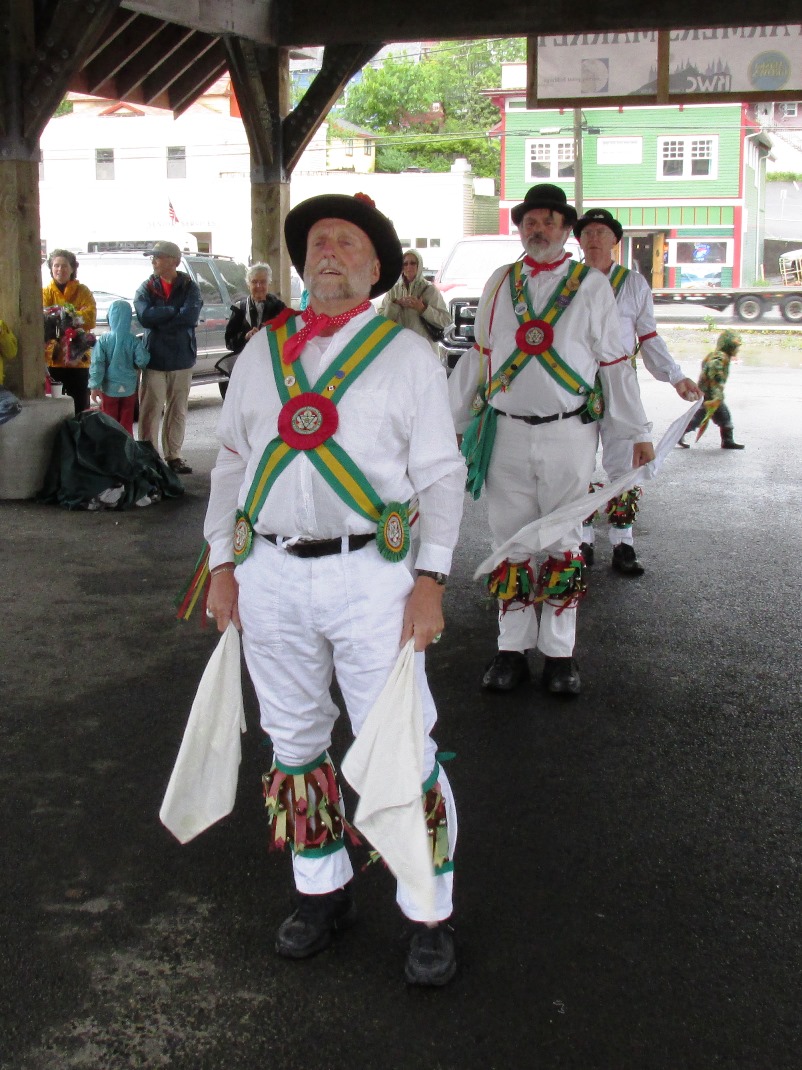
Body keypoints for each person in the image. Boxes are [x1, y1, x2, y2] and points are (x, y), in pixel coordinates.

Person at [203, 192, 465, 986]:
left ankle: (428, 909)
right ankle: (321, 890)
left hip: (371, 577)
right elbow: (231, 463)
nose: (329, 253)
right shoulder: (261, 352)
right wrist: (221, 565)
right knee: (292, 740)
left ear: (375, 268)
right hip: (269, 572)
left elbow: (441, 476)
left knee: (400, 743)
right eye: (319, 241)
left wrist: (431, 580)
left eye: (347, 243)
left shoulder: (408, 356)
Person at [449, 183, 654, 697]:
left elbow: (614, 365)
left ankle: (560, 655)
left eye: (548, 221)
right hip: (505, 433)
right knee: (509, 542)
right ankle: (511, 650)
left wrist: (635, 433)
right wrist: (452, 424)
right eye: (530, 222)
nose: (537, 230)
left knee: (564, 541)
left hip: (569, 432)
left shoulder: (592, 286)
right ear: (520, 229)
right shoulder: (500, 281)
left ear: (566, 230)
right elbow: (479, 357)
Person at [574, 208, 703, 576]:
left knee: (623, 464)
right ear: (579, 240)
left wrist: (676, 377)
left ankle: (622, 542)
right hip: (575, 386)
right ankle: (582, 540)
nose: (594, 239)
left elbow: (648, 335)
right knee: (576, 464)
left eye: (601, 232)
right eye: (587, 232)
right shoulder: (568, 281)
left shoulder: (633, 284)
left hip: (620, 385)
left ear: (615, 240)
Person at [134, 240, 203, 474]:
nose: (153, 261)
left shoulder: (189, 287)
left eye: (158, 257)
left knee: (178, 409)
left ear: (174, 261)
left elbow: (190, 316)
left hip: (182, 357)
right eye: (153, 257)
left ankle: (174, 456)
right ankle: (148, 456)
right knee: (150, 408)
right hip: (154, 358)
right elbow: (144, 316)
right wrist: (174, 311)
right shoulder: (146, 287)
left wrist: (161, 319)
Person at [42, 249, 97, 416]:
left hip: (78, 361)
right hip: (53, 361)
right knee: (53, 411)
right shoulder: (45, 293)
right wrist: (62, 319)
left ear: (72, 268)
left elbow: (90, 318)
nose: (60, 269)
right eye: (56, 265)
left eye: (64, 266)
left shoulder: (83, 291)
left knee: (80, 408)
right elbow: (41, 321)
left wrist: (68, 316)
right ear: (51, 268)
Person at [88, 299, 150, 436]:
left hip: (109, 388)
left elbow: (97, 364)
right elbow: (142, 360)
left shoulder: (103, 340)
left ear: (110, 318)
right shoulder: (133, 340)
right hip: (129, 388)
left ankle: (111, 447)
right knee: (126, 422)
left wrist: (94, 386)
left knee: (109, 423)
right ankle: (126, 446)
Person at [678, 329, 745, 449]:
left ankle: (727, 440)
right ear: (729, 346)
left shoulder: (714, 355)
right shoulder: (720, 358)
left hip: (708, 394)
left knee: (709, 417)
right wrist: (716, 394)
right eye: (736, 347)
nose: (738, 350)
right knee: (713, 417)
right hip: (711, 396)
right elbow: (714, 375)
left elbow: (704, 365)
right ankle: (727, 441)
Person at [379, 248, 451, 354]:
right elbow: (380, 321)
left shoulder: (430, 290)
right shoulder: (394, 291)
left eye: (413, 263)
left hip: (424, 352)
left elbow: (445, 320)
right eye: (405, 264)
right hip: (400, 352)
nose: (409, 267)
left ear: (419, 265)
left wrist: (423, 309)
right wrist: (395, 305)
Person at [224, 262, 286, 356]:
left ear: (268, 284)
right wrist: (245, 337)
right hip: (247, 361)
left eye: (263, 282)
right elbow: (229, 342)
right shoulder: (240, 309)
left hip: (271, 360)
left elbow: (287, 337)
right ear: (248, 285)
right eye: (254, 282)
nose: (258, 286)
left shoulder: (279, 308)